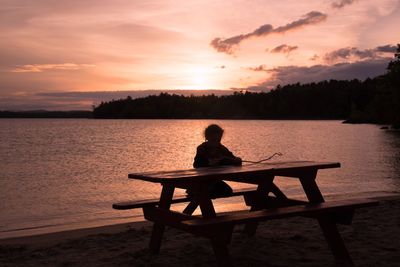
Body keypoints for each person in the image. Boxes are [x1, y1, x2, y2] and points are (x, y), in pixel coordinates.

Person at [190, 124, 242, 198]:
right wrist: (209, 163)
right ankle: (198, 195)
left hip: (214, 180)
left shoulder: (221, 148)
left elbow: (234, 159)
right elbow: (196, 164)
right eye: (213, 140)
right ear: (207, 137)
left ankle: (201, 197)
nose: (216, 143)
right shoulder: (202, 148)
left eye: (218, 140)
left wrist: (235, 160)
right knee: (205, 192)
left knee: (227, 191)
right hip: (202, 180)